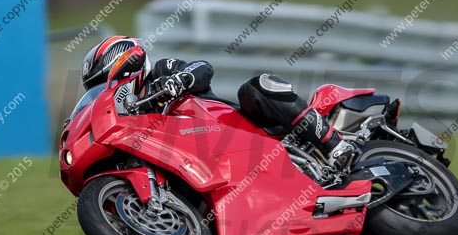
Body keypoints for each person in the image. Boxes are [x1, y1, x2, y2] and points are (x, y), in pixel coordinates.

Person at [79, 36, 359, 171]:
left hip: (235, 127)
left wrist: (179, 80)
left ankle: (335, 144)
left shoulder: (162, 71)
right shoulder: (131, 124)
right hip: (209, 162)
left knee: (256, 87)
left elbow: (203, 68)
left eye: (106, 81)